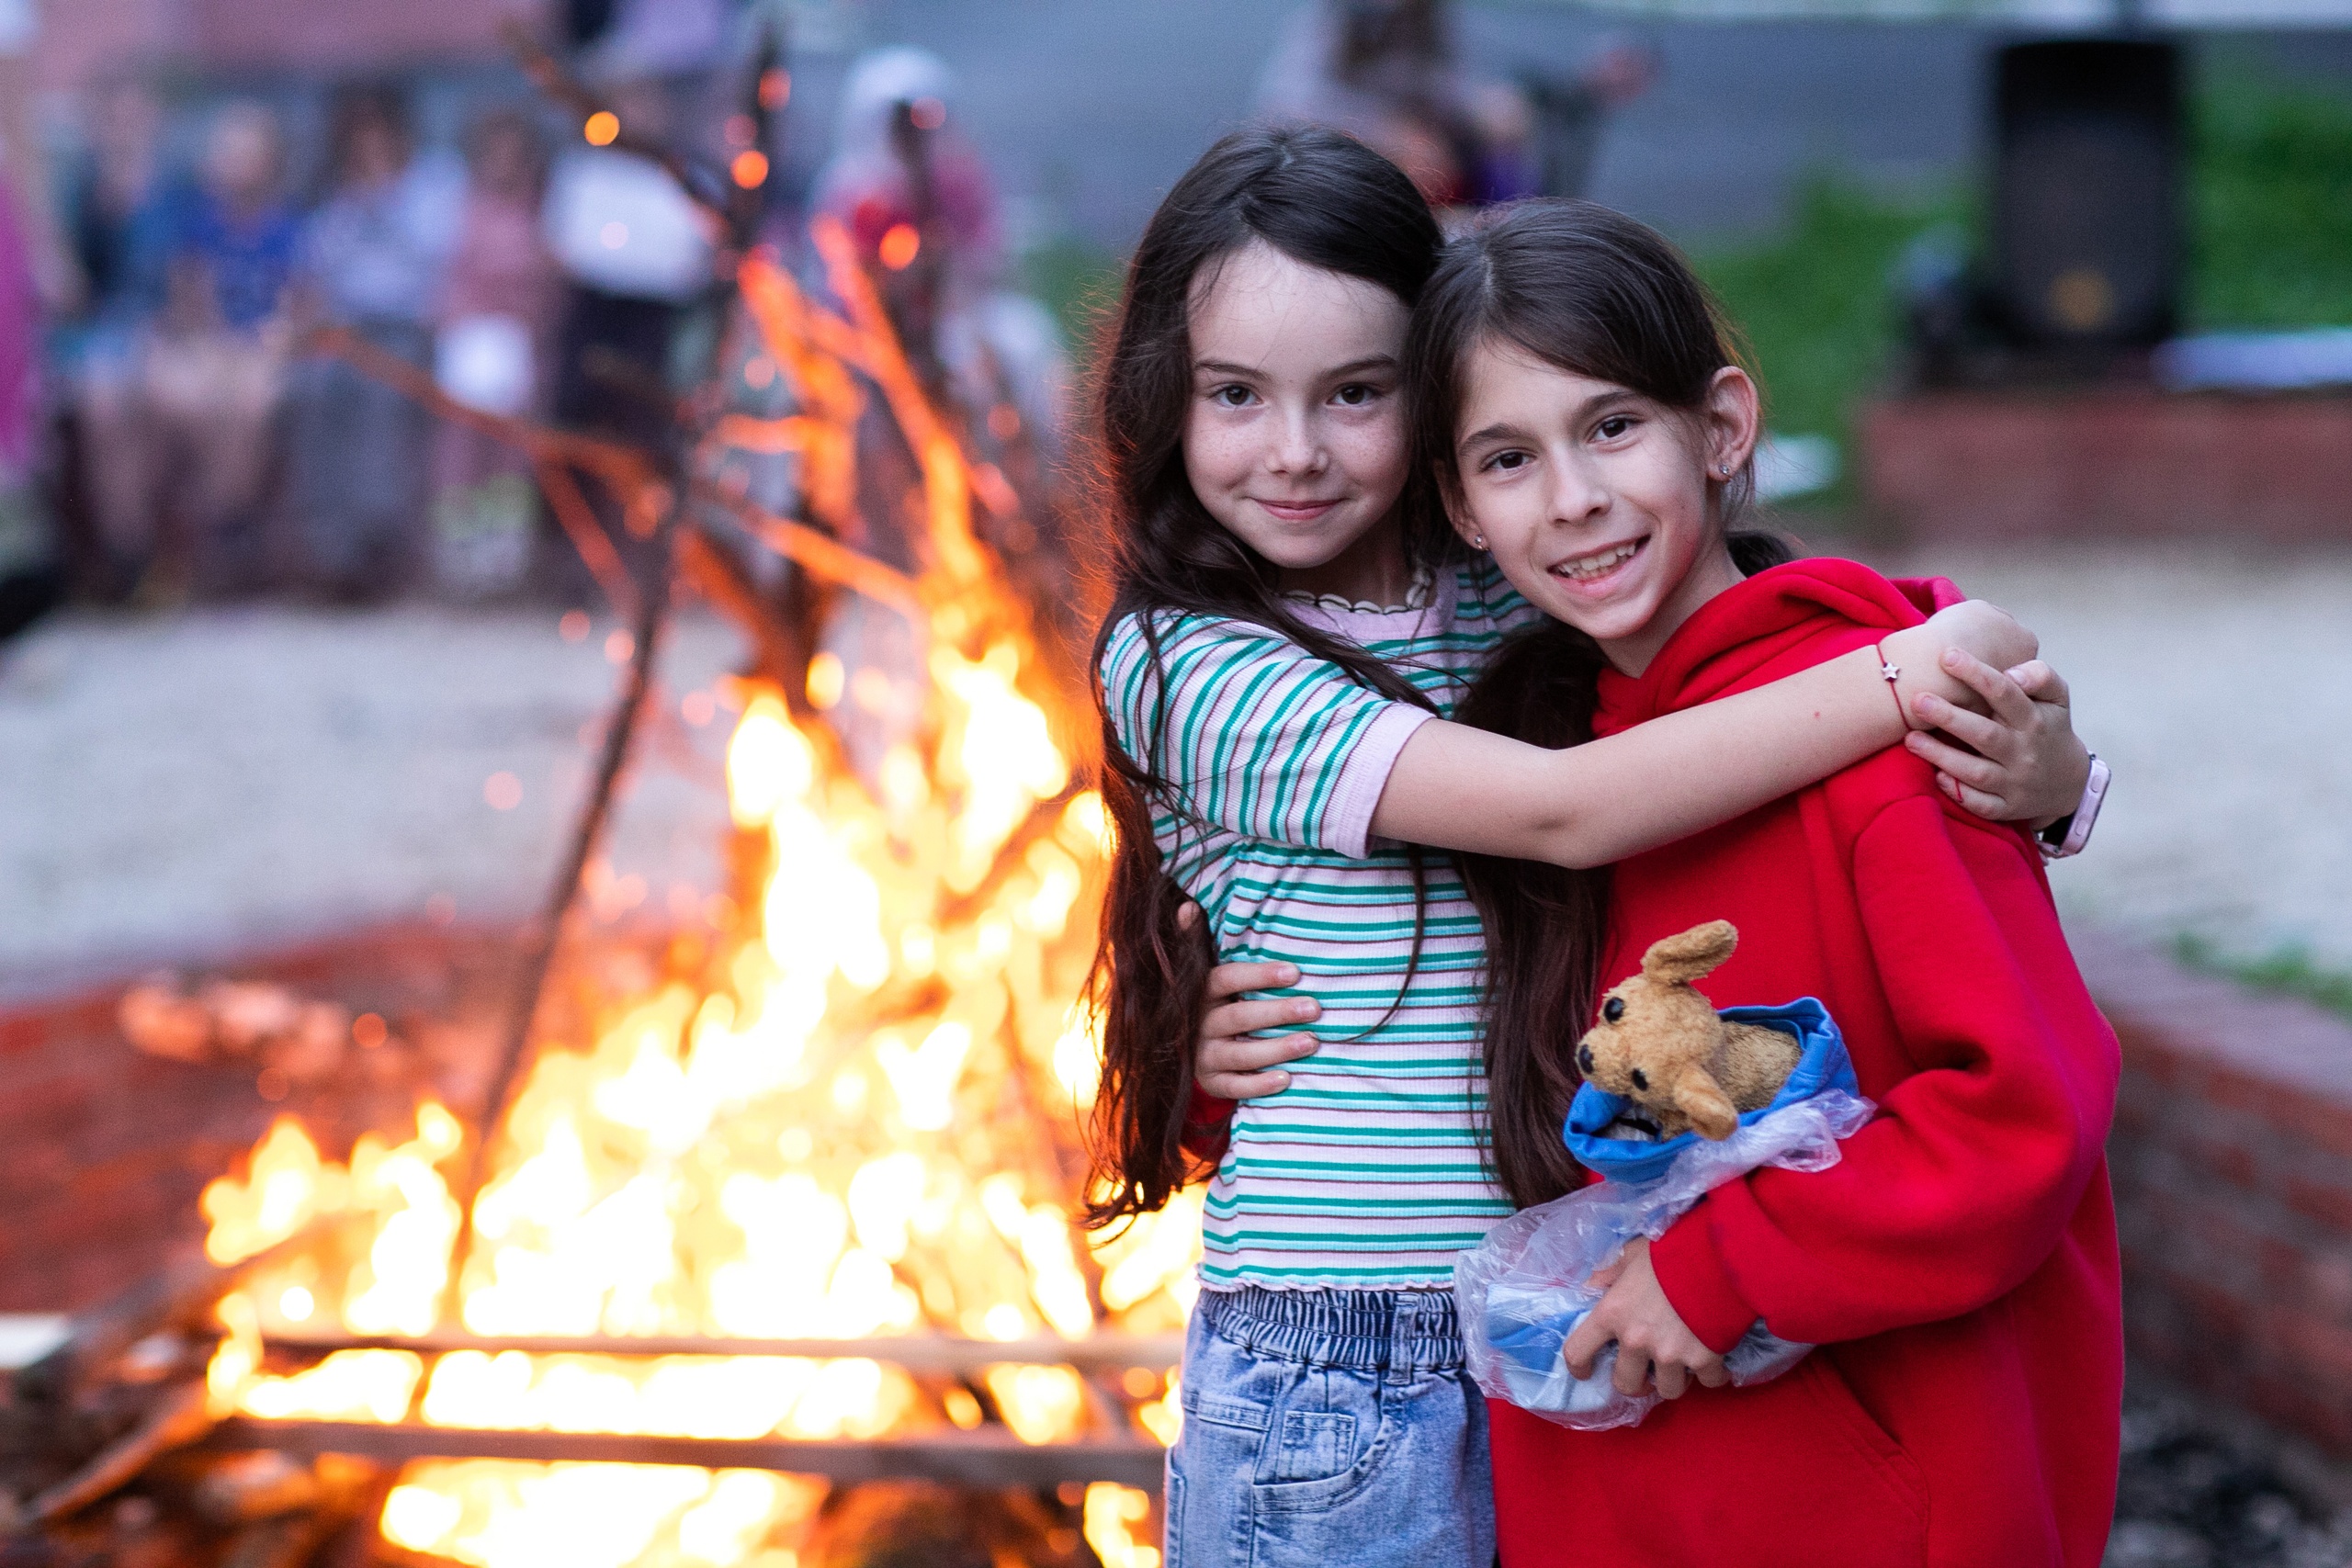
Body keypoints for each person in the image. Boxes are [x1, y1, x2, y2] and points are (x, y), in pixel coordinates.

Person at [1083, 127, 2091, 1568]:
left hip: (1556, 1324)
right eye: (1234, 394)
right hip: (1341, 1356)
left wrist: (2052, 771)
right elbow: (1579, 807)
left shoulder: (1513, 594)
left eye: (1356, 392)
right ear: (1163, 401)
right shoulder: (1197, 663)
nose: (1294, 449)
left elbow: (1735, 630)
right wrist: (1923, 661)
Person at [81, 100, 300, 600]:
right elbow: (193, 303)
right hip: (204, 345)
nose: (226, 162)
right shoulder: (199, 222)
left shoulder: (284, 226)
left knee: (247, 401)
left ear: (269, 162)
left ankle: (230, 531)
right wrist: (210, 347)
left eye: (241, 154)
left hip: (260, 348)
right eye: (224, 152)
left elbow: (295, 305)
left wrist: (260, 346)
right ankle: (151, 553)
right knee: (185, 401)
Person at [288, 82, 462, 599]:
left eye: (378, 133)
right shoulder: (334, 193)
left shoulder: (434, 184)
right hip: (346, 330)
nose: (369, 147)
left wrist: (384, 201)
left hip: (410, 329)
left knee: (380, 399)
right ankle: (327, 550)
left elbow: (437, 259)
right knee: (316, 393)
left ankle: (378, 545)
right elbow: (318, 267)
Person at [430, 107, 558, 599]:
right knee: (461, 448)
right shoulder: (461, 210)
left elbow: (547, 284)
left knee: (513, 450)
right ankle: (455, 556)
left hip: (521, 347)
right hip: (468, 345)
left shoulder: (542, 213)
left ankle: (508, 555)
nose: (503, 162)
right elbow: (449, 282)